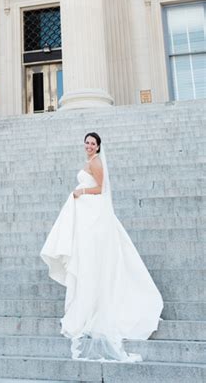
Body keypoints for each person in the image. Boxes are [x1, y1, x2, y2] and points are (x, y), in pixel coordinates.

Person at [40, 132, 163, 362]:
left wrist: (81, 191)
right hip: (89, 214)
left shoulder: (96, 162)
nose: (89, 146)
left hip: (94, 211)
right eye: (86, 142)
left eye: (92, 143)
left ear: (98, 147)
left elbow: (102, 188)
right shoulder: (89, 161)